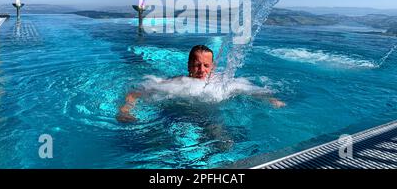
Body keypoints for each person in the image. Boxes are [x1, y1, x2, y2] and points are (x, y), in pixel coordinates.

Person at [117, 45, 285, 123]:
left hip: (210, 115)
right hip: (179, 114)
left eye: (206, 65)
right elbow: (137, 91)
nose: (202, 70)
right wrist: (125, 109)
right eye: (197, 65)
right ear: (189, 66)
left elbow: (248, 89)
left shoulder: (220, 82)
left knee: (223, 143)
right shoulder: (177, 82)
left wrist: (271, 99)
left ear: (212, 67)